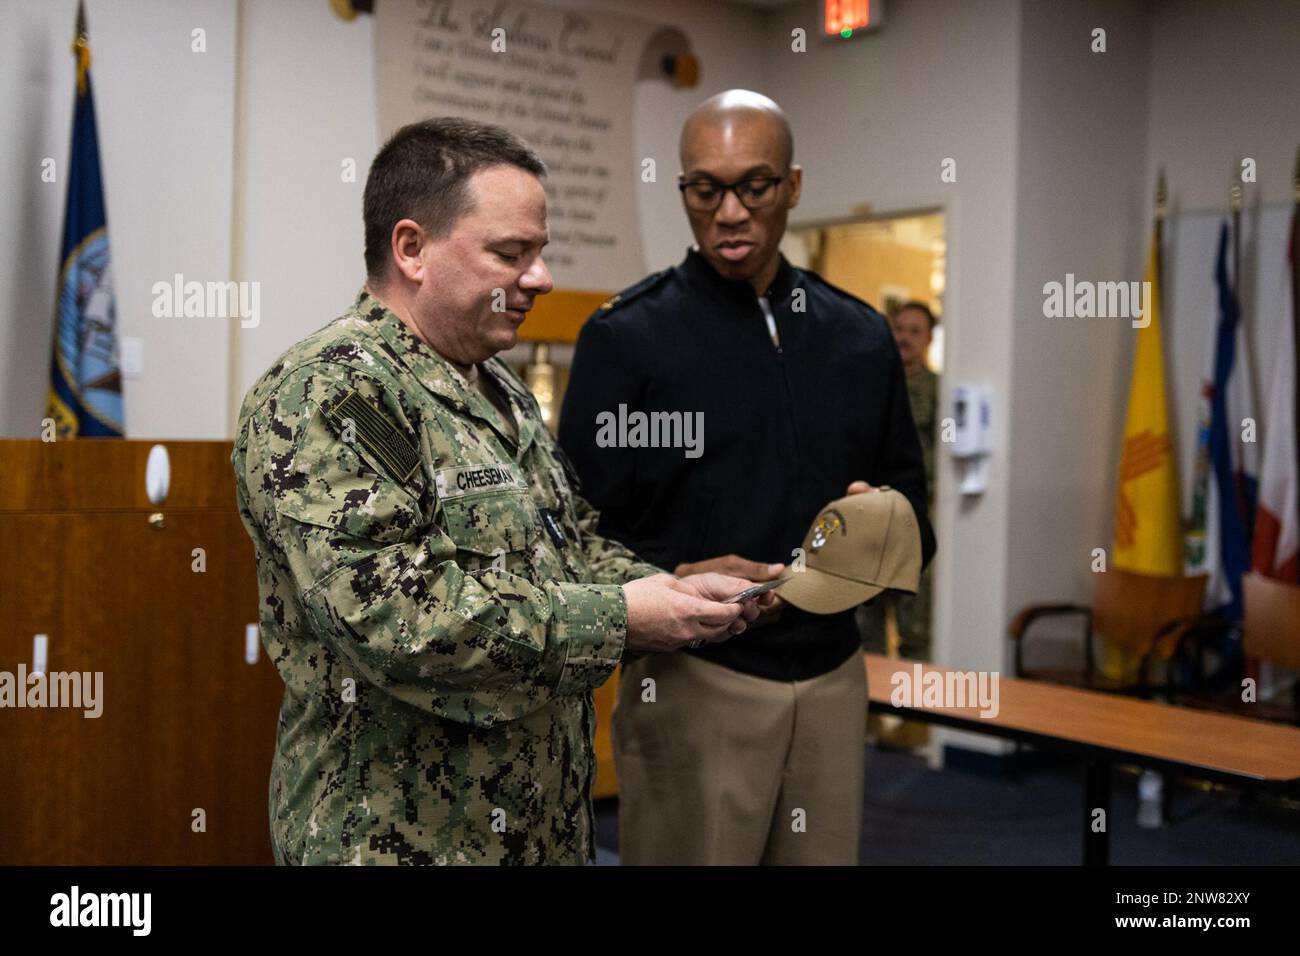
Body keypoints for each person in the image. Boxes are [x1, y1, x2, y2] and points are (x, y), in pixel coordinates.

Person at [231, 117, 765, 866]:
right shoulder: (328, 393)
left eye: (539, 253)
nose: (541, 278)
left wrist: (668, 591)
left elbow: (569, 543)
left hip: (539, 833)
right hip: (398, 843)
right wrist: (620, 617)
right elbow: (397, 619)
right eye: (511, 254)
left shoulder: (500, 390)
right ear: (411, 249)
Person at [558, 90, 935, 865]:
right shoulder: (626, 337)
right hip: (693, 679)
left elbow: (912, 505)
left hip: (833, 676)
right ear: (686, 192)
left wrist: (888, 529)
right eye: (706, 189)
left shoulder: (860, 336)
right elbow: (572, 532)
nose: (730, 212)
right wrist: (669, 580)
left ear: (792, 187)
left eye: (754, 186)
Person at [859, 301, 939, 664]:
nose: (904, 338)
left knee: (916, 629)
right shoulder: (872, 385)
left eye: (914, 331)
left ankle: (916, 719)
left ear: (929, 339)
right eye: (899, 329)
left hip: (916, 522)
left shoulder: (939, 391)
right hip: (870, 523)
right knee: (866, 624)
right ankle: (872, 716)